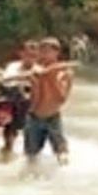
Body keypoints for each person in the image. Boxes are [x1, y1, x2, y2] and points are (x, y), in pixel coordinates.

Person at [24, 37, 73, 166]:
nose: (44, 54)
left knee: (62, 153)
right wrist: (38, 76)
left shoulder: (65, 73)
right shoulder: (35, 70)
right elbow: (33, 96)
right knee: (31, 156)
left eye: (47, 51)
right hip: (34, 117)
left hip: (53, 117)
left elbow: (61, 98)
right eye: (42, 51)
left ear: (56, 53)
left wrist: (51, 78)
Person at [0, 40, 39, 157]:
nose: (30, 58)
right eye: (28, 55)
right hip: (11, 98)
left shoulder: (39, 70)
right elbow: (6, 81)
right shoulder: (13, 66)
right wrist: (21, 77)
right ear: (21, 54)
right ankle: (8, 146)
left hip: (30, 101)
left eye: (33, 56)